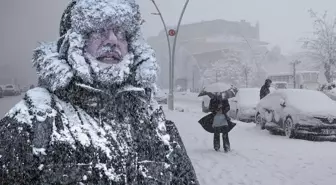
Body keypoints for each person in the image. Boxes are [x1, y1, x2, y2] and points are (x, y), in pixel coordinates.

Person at [0, 0, 199, 184]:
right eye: (98, 30)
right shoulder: (32, 120)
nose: (112, 40)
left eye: (121, 32)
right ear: (74, 43)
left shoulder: (153, 119)